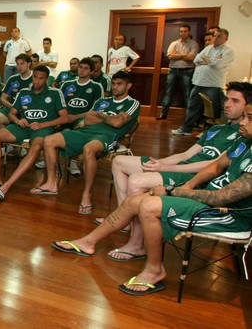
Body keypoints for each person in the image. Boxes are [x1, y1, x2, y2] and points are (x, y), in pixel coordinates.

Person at [52, 101, 252, 296]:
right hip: (205, 198)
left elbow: (221, 198)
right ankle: (88, 242)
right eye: (244, 117)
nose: (243, 122)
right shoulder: (244, 141)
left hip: (230, 215)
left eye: (249, 118)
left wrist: (175, 190)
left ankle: (154, 269)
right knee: (132, 202)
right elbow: (216, 167)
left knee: (148, 204)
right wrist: (188, 185)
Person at [99, 81, 252, 261]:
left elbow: (215, 167)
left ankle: (137, 242)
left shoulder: (243, 134)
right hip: (187, 170)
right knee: (118, 161)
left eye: (235, 101)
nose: (227, 104)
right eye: (227, 99)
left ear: (247, 107)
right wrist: (160, 163)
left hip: (194, 177)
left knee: (136, 181)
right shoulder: (217, 128)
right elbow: (187, 154)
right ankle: (124, 219)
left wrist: (168, 171)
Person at [34, 71, 140, 214]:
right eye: (113, 84)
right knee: (49, 140)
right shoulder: (103, 101)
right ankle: (51, 183)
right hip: (86, 132)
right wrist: (108, 117)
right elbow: (89, 119)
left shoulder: (132, 103)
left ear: (129, 86)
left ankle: (87, 194)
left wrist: (100, 115)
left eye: (119, 84)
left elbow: (117, 123)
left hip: (106, 136)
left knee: (89, 149)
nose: (115, 87)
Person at [0, 65, 67, 201]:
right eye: (35, 77)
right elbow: (11, 114)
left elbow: (64, 117)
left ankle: (6, 186)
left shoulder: (55, 93)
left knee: (37, 146)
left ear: (46, 80)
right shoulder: (24, 92)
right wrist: (17, 120)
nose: (37, 81)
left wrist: (43, 124)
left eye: (41, 79)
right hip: (24, 127)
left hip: (43, 129)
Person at [172, 28, 235, 136]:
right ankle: (186, 129)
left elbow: (217, 65)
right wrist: (209, 61)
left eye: (219, 36)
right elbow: (196, 59)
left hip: (213, 85)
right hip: (198, 82)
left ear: (226, 38)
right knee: (192, 107)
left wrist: (207, 61)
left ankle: (209, 133)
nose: (216, 38)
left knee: (212, 111)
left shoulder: (228, 51)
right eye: (215, 36)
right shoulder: (208, 48)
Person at [157, 25, 200, 120]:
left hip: (187, 71)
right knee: (168, 92)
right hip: (173, 70)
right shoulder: (174, 43)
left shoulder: (194, 44)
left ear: (189, 32)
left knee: (187, 94)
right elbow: (170, 56)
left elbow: (192, 58)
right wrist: (184, 55)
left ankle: (189, 117)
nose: (182, 33)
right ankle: (163, 114)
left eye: (185, 31)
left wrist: (177, 55)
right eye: (181, 31)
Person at [0, 53, 33, 128]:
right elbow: (3, 98)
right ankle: (8, 134)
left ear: (29, 64)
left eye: (22, 63)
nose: (19, 66)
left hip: (28, 109)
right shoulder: (13, 79)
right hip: (12, 107)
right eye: (18, 64)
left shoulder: (35, 79)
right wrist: (12, 106)